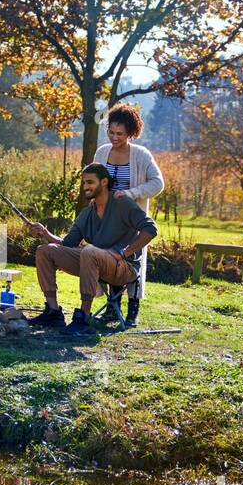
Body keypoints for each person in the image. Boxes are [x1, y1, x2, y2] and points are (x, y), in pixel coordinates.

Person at [26, 164, 158, 336]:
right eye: (84, 183)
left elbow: (151, 229)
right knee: (45, 250)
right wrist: (44, 232)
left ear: (104, 182)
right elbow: (67, 244)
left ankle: (84, 318)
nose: (85, 187)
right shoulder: (87, 212)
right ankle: (53, 312)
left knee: (89, 251)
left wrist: (124, 252)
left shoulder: (121, 202)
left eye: (90, 182)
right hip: (94, 261)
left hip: (123, 266)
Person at [94, 103, 164, 327]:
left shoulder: (141, 155)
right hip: (107, 217)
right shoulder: (102, 152)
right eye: (111, 132)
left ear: (131, 133)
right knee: (108, 258)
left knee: (132, 258)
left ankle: (133, 310)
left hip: (133, 219)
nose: (115, 137)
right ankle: (112, 307)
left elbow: (157, 183)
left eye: (120, 134)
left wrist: (132, 193)